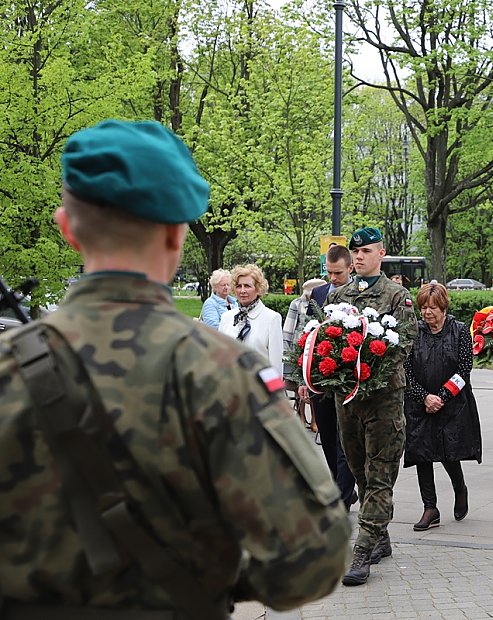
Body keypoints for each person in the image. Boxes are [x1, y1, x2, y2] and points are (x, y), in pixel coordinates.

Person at [0, 119, 350, 617]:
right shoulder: (221, 374)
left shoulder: (9, 370)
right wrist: (211, 579)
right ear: (176, 232)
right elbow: (315, 555)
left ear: (67, 227)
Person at [326, 226, 417, 586]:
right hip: (348, 401)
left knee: (380, 475)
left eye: (366, 252)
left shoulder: (397, 296)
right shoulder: (340, 295)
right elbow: (327, 344)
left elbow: (406, 343)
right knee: (360, 471)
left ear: (381, 253)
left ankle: (361, 551)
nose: (359, 257)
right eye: (356, 252)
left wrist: (370, 369)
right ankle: (380, 536)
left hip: (383, 400)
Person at [403, 282, 482, 531]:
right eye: (424, 307)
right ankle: (430, 507)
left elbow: (464, 370)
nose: (427, 313)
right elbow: (405, 371)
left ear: (444, 307)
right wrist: (424, 397)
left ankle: (460, 488)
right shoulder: (413, 333)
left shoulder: (459, 331)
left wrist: (442, 397)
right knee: (422, 454)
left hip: (452, 405)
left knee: (448, 453)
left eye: (433, 308)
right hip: (419, 405)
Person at [299, 244, 358, 510]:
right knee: (326, 437)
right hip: (320, 380)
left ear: (350, 268)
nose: (332, 279)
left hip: (347, 381)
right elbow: (307, 337)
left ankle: (342, 497)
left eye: (338, 274)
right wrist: (303, 379)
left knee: (343, 440)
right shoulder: (318, 293)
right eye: (329, 273)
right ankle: (341, 488)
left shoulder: (359, 294)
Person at [219, 264, 284, 375]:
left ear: (258, 289)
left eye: (248, 286)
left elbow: (276, 365)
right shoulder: (227, 317)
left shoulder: (272, 318)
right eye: (239, 286)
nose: (242, 290)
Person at [283, 277, 326, 349]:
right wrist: (285, 352)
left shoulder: (327, 303)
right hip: (300, 348)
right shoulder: (297, 303)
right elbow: (288, 331)